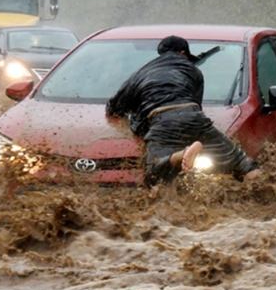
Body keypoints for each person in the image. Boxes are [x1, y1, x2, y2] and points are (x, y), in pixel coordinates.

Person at [106, 35, 263, 186]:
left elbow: (114, 107)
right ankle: (266, 195)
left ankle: (181, 155)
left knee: (152, 173)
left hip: (162, 120)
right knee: (244, 164)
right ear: (183, 53)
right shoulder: (194, 71)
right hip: (194, 115)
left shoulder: (140, 74)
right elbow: (195, 106)